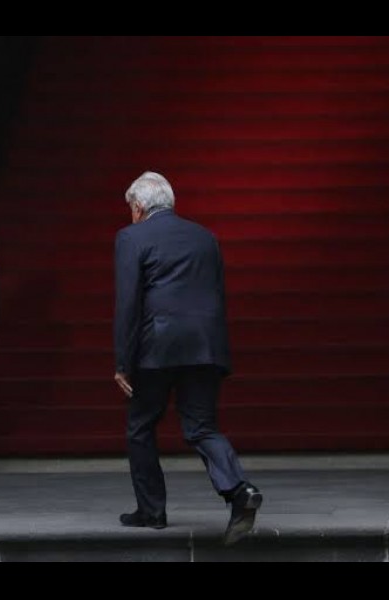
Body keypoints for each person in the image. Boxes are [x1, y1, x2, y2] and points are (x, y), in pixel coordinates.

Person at [114, 171, 263, 546]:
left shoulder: (131, 237)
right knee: (201, 426)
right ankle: (240, 490)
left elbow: (129, 302)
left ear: (138, 207)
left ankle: (152, 511)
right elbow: (216, 292)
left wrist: (123, 362)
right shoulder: (205, 237)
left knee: (141, 426)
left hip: (156, 346)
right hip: (204, 344)